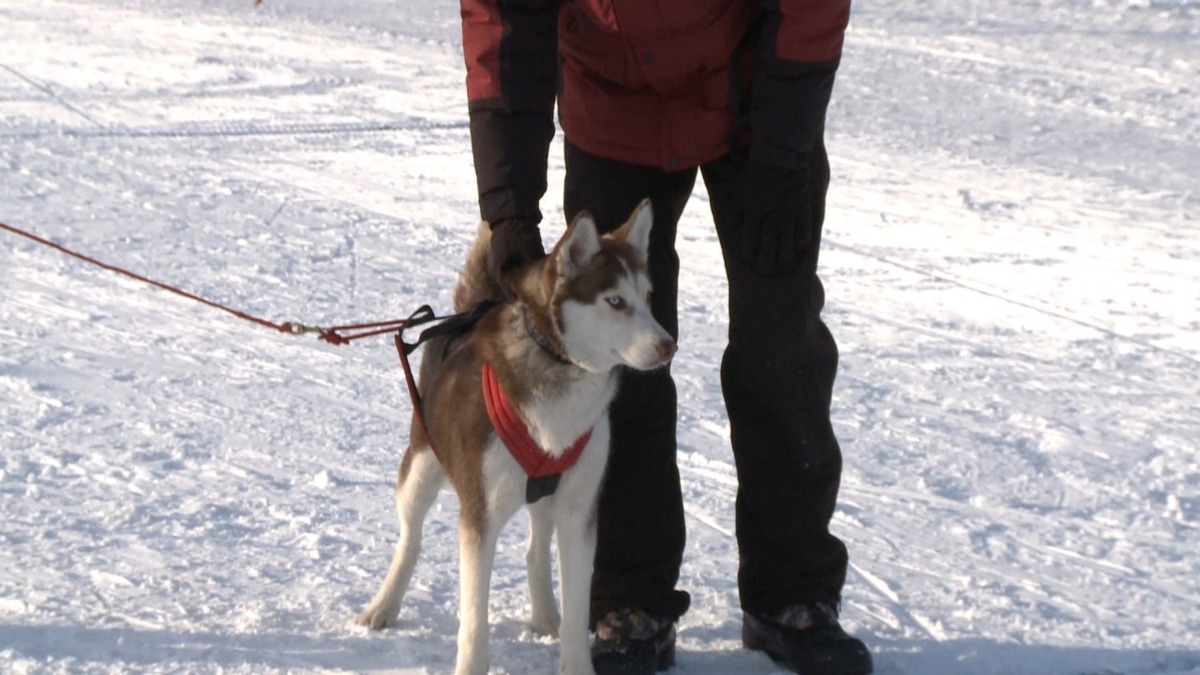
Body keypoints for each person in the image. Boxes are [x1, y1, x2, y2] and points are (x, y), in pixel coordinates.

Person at [459, 1, 872, 673]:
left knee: (781, 339)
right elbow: (502, 22)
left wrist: (783, 151)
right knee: (610, 357)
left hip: (752, 96)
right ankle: (628, 599)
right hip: (612, 104)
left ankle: (792, 594)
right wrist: (508, 208)